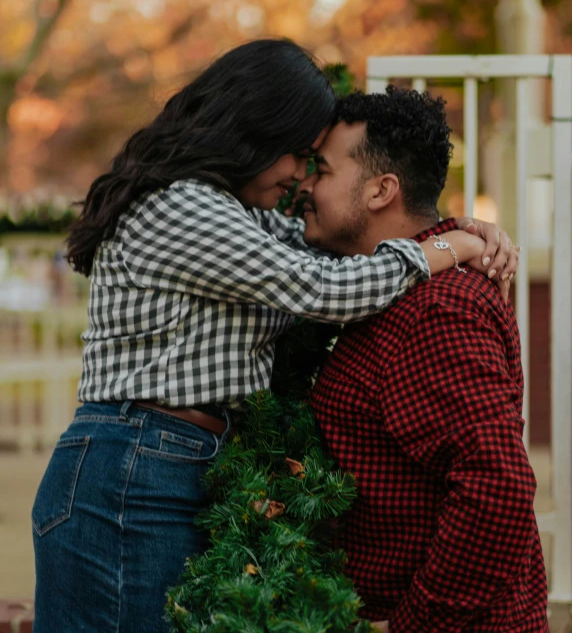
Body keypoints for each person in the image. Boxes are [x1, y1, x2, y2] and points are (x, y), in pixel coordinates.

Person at [32, 40, 517, 633]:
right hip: (133, 467)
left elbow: (332, 251)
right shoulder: (182, 208)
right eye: (296, 153)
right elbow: (323, 288)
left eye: (317, 163)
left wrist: (465, 229)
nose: (299, 175)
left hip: (170, 464)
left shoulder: (236, 216)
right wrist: (449, 246)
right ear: (256, 134)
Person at [307, 88, 548, 632]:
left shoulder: (436, 310)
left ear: (380, 190)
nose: (305, 186)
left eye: (321, 171)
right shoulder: (399, 292)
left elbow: (499, 488)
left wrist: (415, 624)